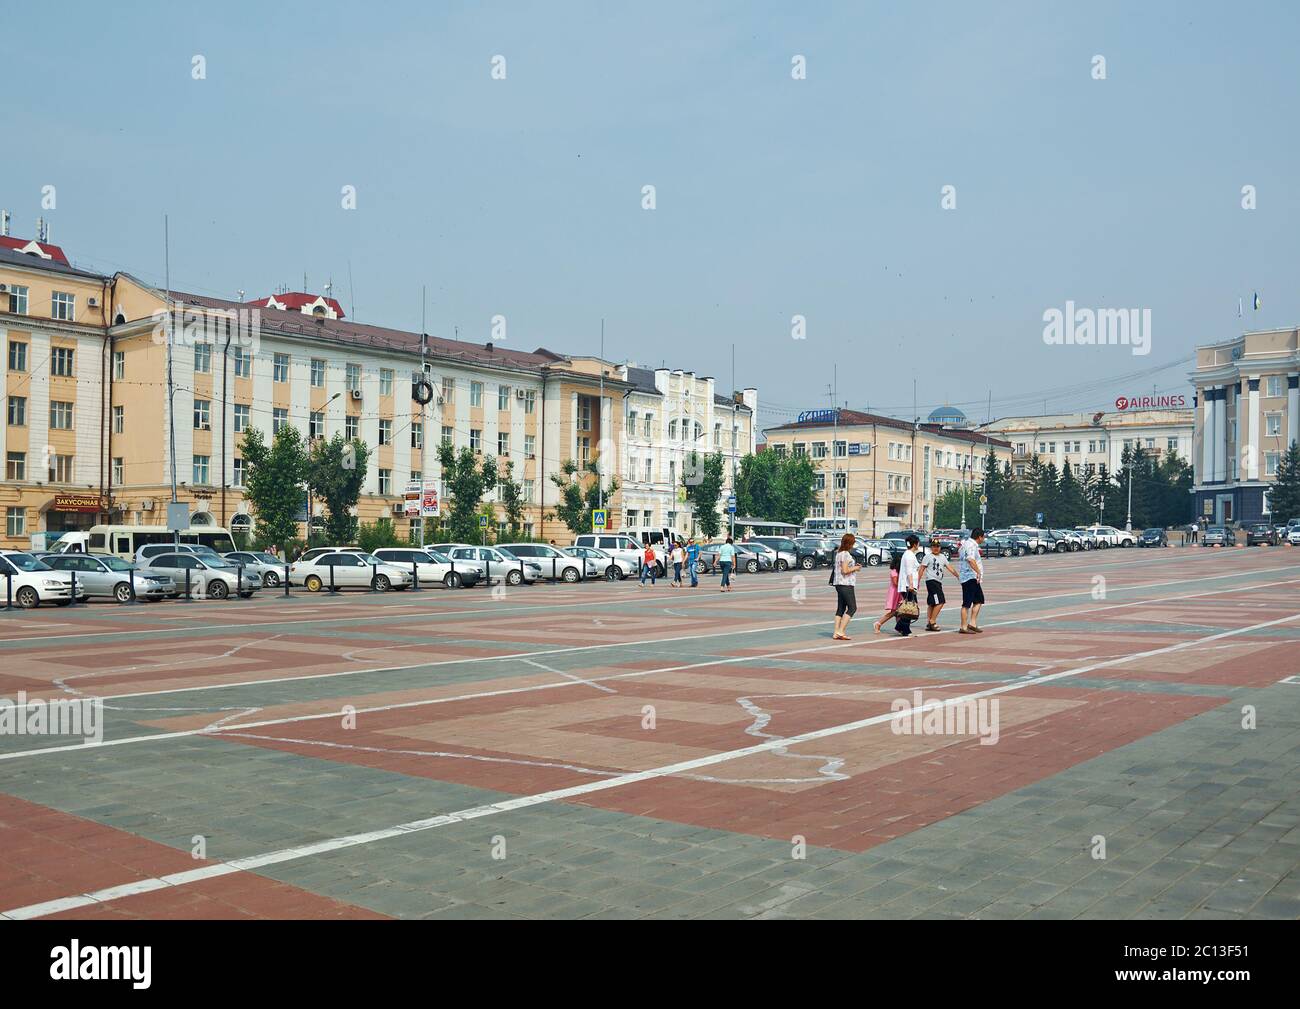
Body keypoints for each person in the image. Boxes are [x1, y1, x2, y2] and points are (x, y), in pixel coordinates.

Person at [922, 539, 959, 632]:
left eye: (937, 546)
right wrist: (916, 581)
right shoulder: (928, 557)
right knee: (940, 601)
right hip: (932, 581)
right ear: (931, 547)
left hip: (938, 582)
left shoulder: (942, 557)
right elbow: (921, 569)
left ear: (940, 547)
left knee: (932, 603)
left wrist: (957, 575)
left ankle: (929, 622)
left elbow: (949, 567)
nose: (936, 548)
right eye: (934, 546)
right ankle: (932, 621)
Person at [831, 533, 862, 640]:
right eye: (853, 542)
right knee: (852, 608)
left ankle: (836, 632)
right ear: (850, 543)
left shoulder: (839, 553)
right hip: (846, 584)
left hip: (838, 583)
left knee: (840, 608)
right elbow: (845, 570)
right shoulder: (846, 554)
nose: (853, 544)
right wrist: (855, 568)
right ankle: (841, 631)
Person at [958, 527, 986, 634]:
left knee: (979, 600)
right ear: (979, 537)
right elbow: (970, 559)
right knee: (966, 603)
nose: (983, 539)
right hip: (969, 577)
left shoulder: (965, 544)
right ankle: (963, 627)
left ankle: (972, 623)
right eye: (983, 537)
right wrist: (978, 571)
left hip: (972, 578)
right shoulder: (971, 546)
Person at [894, 534, 922, 636]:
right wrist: (911, 585)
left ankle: (901, 627)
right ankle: (904, 629)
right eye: (918, 542)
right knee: (910, 607)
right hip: (908, 585)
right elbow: (909, 571)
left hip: (906, 585)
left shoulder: (908, 554)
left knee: (910, 606)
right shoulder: (909, 555)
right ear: (915, 544)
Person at [873, 554, 903, 634]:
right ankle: (878, 623)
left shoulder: (899, 571)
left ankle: (899, 627)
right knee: (894, 611)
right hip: (895, 593)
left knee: (899, 611)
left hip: (899, 592)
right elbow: (896, 583)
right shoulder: (894, 572)